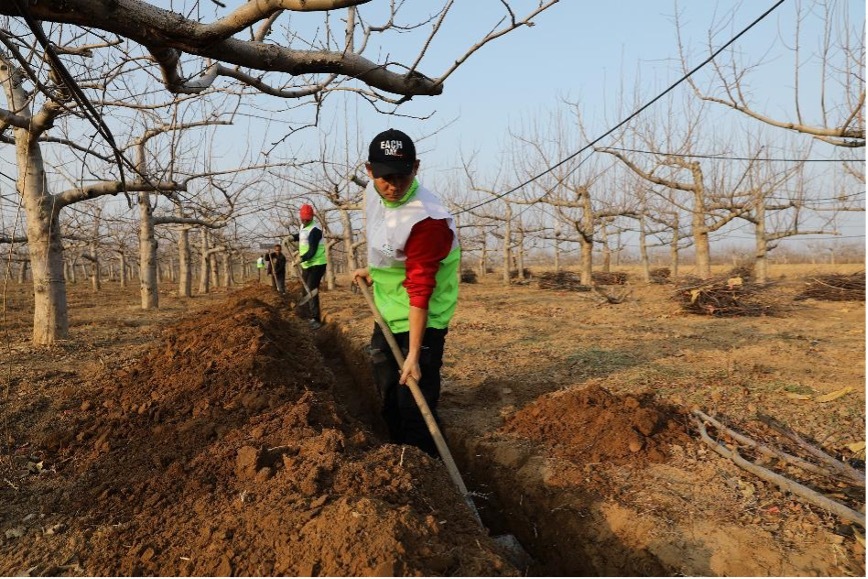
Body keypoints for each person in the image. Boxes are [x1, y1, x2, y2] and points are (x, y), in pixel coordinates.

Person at [352, 129, 460, 457]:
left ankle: (428, 474)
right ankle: (393, 456)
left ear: (416, 168)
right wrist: (373, 271)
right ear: (369, 172)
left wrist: (414, 353)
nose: (394, 185)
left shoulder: (428, 221)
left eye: (402, 175)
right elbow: (391, 243)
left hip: (422, 320)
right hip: (390, 310)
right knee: (387, 393)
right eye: (385, 177)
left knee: (415, 408)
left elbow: (420, 290)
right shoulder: (374, 193)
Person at [290, 204, 327, 328]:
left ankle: (316, 319)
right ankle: (308, 315)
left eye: (307, 219)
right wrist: (292, 237)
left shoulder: (315, 230)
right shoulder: (303, 226)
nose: (305, 221)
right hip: (307, 264)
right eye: (303, 219)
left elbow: (311, 251)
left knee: (311, 290)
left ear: (311, 218)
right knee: (305, 290)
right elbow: (301, 236)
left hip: (317, 264)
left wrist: (300, 259)